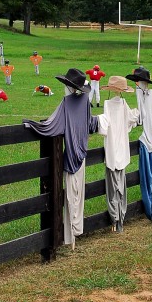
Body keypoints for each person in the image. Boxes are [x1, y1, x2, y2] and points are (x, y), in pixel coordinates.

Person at [23, 68, 98, 250]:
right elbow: (90, 124)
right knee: (78, 197)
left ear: (69, 87)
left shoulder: (66, 103)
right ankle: (75, 233)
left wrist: (32, 125)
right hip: (82, 154)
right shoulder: (85, 102)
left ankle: (70, 236)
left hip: (71, 156)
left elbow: (51, 124)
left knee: (70, 198)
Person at [96, 76, 139, 233]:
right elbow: (130, 120)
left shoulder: (108, 104)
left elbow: (104, 124)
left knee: (112, 185)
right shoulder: (123, 104)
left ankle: (115, 218)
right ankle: (119, 217)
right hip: (122, 148)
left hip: (112, 148)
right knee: (121, 183)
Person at [126, 66, 152, 224]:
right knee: (151, 177)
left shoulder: (149, 94)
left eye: (138, 81)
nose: (137, 84)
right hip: (150, 138)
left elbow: (143, 117)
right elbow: (143, 117)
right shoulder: (141, 93)